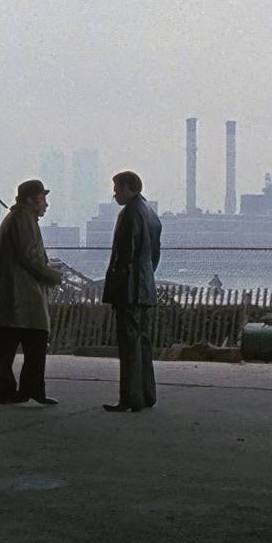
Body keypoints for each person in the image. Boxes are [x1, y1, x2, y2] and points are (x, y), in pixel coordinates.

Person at [0, 179, 64, 405]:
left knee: (8, 347)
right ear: (30, 200)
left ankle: (11, 391)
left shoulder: (17, 217)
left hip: (13, 294)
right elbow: (29, 257)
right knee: (35, 340)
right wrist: (52, 276)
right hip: (21, 294)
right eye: (42, 199)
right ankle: (29, 389)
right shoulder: (23, 219)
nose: (46, 204)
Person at [102, 170, 162, 413]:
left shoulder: (129, 213)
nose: (114, 194)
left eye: (117, 189)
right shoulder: (150, 213)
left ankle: (130, 398)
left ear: (128, 187)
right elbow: (154, 254)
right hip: (145, 287)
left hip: (129, 289)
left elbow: (124, 255)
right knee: (143, 343)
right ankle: (147, 394)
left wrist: (116, 285)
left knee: (128, 345)